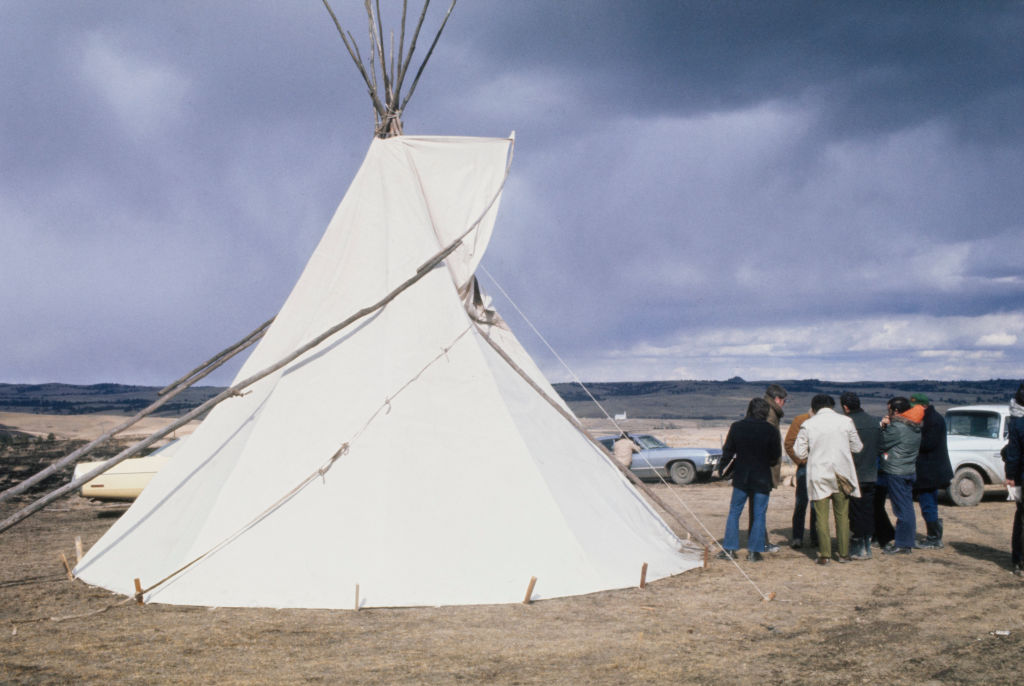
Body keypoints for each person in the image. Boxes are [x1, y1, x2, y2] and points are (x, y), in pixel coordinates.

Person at [793, 394, 863, 564]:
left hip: (819, 473)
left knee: (821, 516)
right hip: (842, 474)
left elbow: (799, 452)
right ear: (832, 406)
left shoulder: (808, 424)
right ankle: (844, 553)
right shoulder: (845, 422)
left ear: (814, 408)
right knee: (842, 515)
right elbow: (858, 447)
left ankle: (825, 555)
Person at [719, 397, 782, 562]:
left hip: (741, 476)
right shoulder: (771, 430)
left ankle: (730, 550)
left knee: (734, 512)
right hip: (762, 477)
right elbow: (775, 456)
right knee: (759, 514)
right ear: (765, 412)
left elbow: (728, 451)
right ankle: (754, 552)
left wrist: (721, 469)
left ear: (749, 409)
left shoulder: (737, 427)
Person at [879, 396, 923, 554]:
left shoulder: (897, 428)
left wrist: (883, 427)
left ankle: (903, 544)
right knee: (907, 507)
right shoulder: (914, 427)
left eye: (889, 409)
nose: (888, 412)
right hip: (909, 470)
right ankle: (906, 541)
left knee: (901, 509)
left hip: (896, 472)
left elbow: (881, 443)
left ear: (895, 411)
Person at [910, 393, 954, 549]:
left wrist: (911, 438)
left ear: (923, 406)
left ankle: (934, 538)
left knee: (928, 503)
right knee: (928, 503)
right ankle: (934, 535)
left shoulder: (932, 420)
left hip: (930, 470)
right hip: (930, 469)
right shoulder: (931, 418)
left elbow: (928, 444)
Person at [841, 391, 881, 560]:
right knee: (868, 509)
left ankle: (858, 546)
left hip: (853, 474)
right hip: (871, 473)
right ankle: (867, 543)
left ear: (845, 407)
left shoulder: (847, 423)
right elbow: (882, 445)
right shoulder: (874, 422)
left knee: (855, 511)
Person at [750, 383, 787, 552]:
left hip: (753, 467)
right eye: (784, 401)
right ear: (777, 399)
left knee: (756, 507)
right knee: (759, 507)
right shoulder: (770, 415)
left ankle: (757, 540)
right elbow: (768, 444)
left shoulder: (760, 409)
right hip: (763, 469)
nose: (784, 404)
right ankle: (761, 543)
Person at [783, 407, 817, 549]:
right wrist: (801, 462)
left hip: (821, 468)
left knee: (818, 505)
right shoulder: (800, 420)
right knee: (801, 503)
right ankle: (797, 537)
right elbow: (789, 443)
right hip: (805, 468)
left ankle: (816, 537)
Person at [1003, 382, 1024, 575]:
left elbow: (1014, 453)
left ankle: (1019, 559)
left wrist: (1010, 475)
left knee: (1022, 518)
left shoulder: (1017, 423)